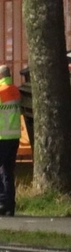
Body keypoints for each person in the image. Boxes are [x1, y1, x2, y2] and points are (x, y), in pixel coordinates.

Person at [0, 65, 21, 216]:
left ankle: (2, 202)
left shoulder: (1, 91)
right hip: (14, 136)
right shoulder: (15, 90)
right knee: (8, 171)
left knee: (3, 171)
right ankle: (10, 205)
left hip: (2, 136)